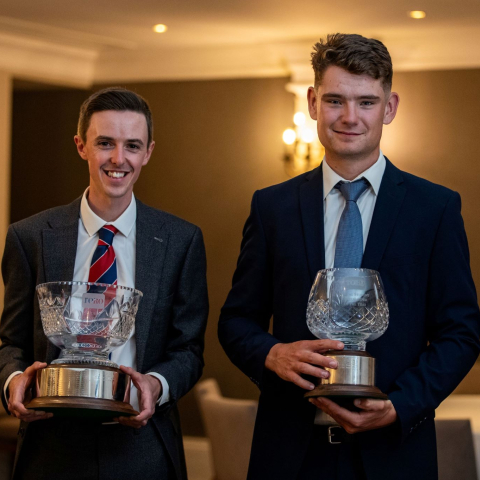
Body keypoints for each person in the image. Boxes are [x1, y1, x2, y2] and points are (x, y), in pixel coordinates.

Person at [218, 33, 480, 480]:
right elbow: (236, 321)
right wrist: (272, 353)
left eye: (366, 102)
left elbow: (462, 332)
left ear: (390, 107)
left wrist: (399, 405)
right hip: (289, 455)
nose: (350, 117)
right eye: (335, 100)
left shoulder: (434, 208)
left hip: (394, 454)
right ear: (313, 102)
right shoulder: (271, 207)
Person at [0, 87, 208, 480]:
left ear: (148, 152)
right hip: (51, 447)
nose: (118, 158)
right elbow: (10, 341)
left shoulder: (181, 241)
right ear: (81, 146)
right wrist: (14, 381)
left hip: (143, 447)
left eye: (132, 145)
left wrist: (155, 385)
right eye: (105, 143)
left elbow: (189, 349)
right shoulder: (29, 237)